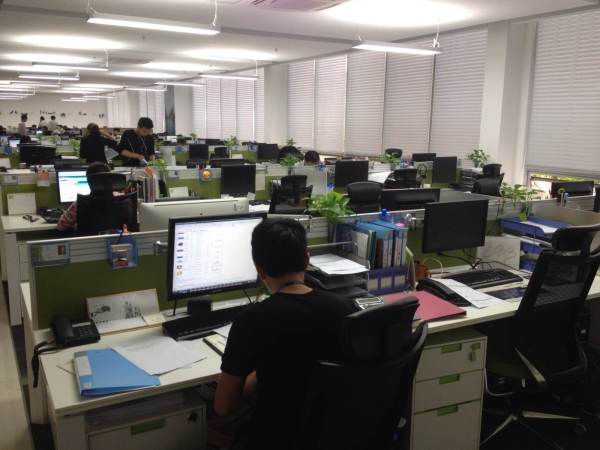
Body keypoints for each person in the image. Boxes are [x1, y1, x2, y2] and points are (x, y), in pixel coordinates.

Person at [214, 219, 356, 450]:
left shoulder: (251, 321)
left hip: (272, 438)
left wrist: (254, 376)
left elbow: (223, 406)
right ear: (307, 260)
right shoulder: (345, 309)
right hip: (331, 435)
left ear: (260, 270)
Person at [57, 162, 111, 231]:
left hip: (88, 238)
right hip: (117, 238)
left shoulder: (80, 203)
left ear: (88, 181)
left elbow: (61, 226)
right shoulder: (121, 199)